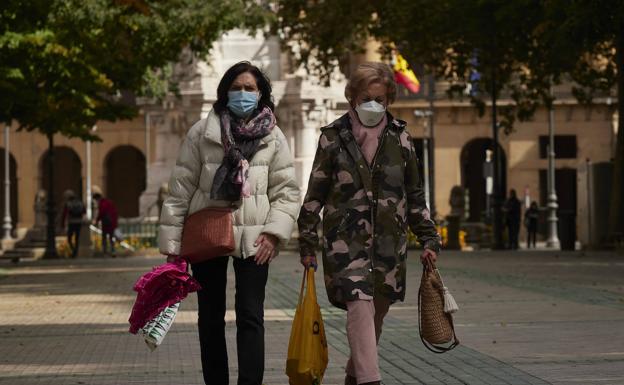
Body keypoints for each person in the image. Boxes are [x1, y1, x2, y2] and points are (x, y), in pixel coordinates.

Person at [298, 62, 441, 385]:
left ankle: (354, 375)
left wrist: (429, 239)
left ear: (389, 98)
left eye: (380, 98)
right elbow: (314, 197)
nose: (373, 105)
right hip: (345, 246)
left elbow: (415, 195)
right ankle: (369, 380)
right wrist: (307, 244)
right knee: (359, 308)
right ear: (352, 97)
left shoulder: (401, 138)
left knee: (375, 315)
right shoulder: (333, 138)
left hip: (389, 248)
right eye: (366, 97)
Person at [158, 61, 300, 385]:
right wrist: (173, 248)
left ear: (261, 92)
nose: (242, 94)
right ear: (224, 92)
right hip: (208, 235)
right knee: (210, 319)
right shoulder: (202, 132)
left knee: (251, 317)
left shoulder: (273, 136)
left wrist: (274, 234)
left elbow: (287, 191)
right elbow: (180, 189)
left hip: (256, 240)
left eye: (249, 88)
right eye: (236, 88)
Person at [93, 192, 118, 257]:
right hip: (111, 222)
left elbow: (102, 212)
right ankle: (113, 251)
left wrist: (97, 220)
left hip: (106, 223)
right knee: (111, 237)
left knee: (104, 238)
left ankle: (105, 252)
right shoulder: (109, 202)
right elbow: (114, 212)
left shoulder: (102, 203)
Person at [62, 190, 85, 258]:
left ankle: (73, 250)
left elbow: (64, 214)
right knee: (77, 238)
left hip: (71, 222)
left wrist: (62, 224)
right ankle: (76, 252)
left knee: (69, 238)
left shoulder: (68, 203)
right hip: (79, 222)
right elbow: (84, 211)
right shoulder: (80, 203)